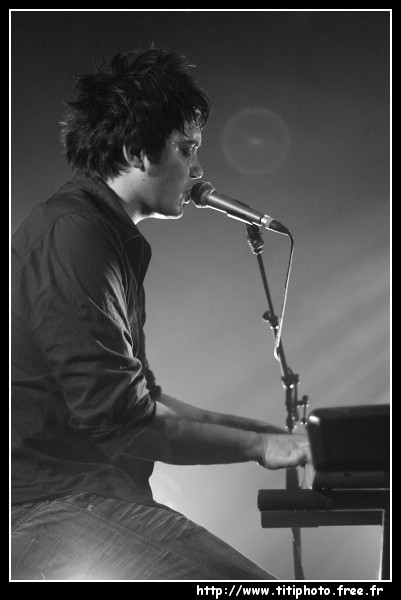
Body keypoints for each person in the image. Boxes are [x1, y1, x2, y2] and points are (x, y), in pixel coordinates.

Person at [11, 47, 310, 581]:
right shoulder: (75, 235)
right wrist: (264, 445)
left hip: (79, 498)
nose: (198, 169)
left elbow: (147, 404)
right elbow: (125, 423)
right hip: (49, 504)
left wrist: (276, 438)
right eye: (186, 148)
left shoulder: (101, 235)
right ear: (136, 152)